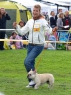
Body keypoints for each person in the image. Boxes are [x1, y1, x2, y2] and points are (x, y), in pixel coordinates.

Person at [13, 4, 52, 88]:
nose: (34, 12)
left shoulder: (43, 21)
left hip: (38, 46)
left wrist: (52, 30)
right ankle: (35, 81)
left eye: (36, 11)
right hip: (30, 45)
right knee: (30, 62)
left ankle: (32, 80)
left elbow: (49, 30)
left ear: (39, 12)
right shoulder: (30, 21)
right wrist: (17, 27)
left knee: (27, 62)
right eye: (33, 10)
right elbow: (22, 32)